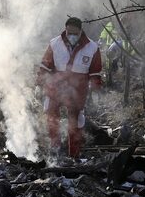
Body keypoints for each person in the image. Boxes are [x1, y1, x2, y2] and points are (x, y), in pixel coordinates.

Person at [37, 17, 103, 158]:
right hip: (55, 88)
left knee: (76, 122)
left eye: (75, 33)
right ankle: (55, 149)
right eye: (69, 33)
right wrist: (39, 83)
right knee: (52, 118)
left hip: (77, 92)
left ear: (80, 32)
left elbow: (95, 72)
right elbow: (45, 66)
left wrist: (96, 90)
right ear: (65, 30)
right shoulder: (55, 44)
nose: (71, 36)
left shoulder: (92, 48)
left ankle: (74, 154)